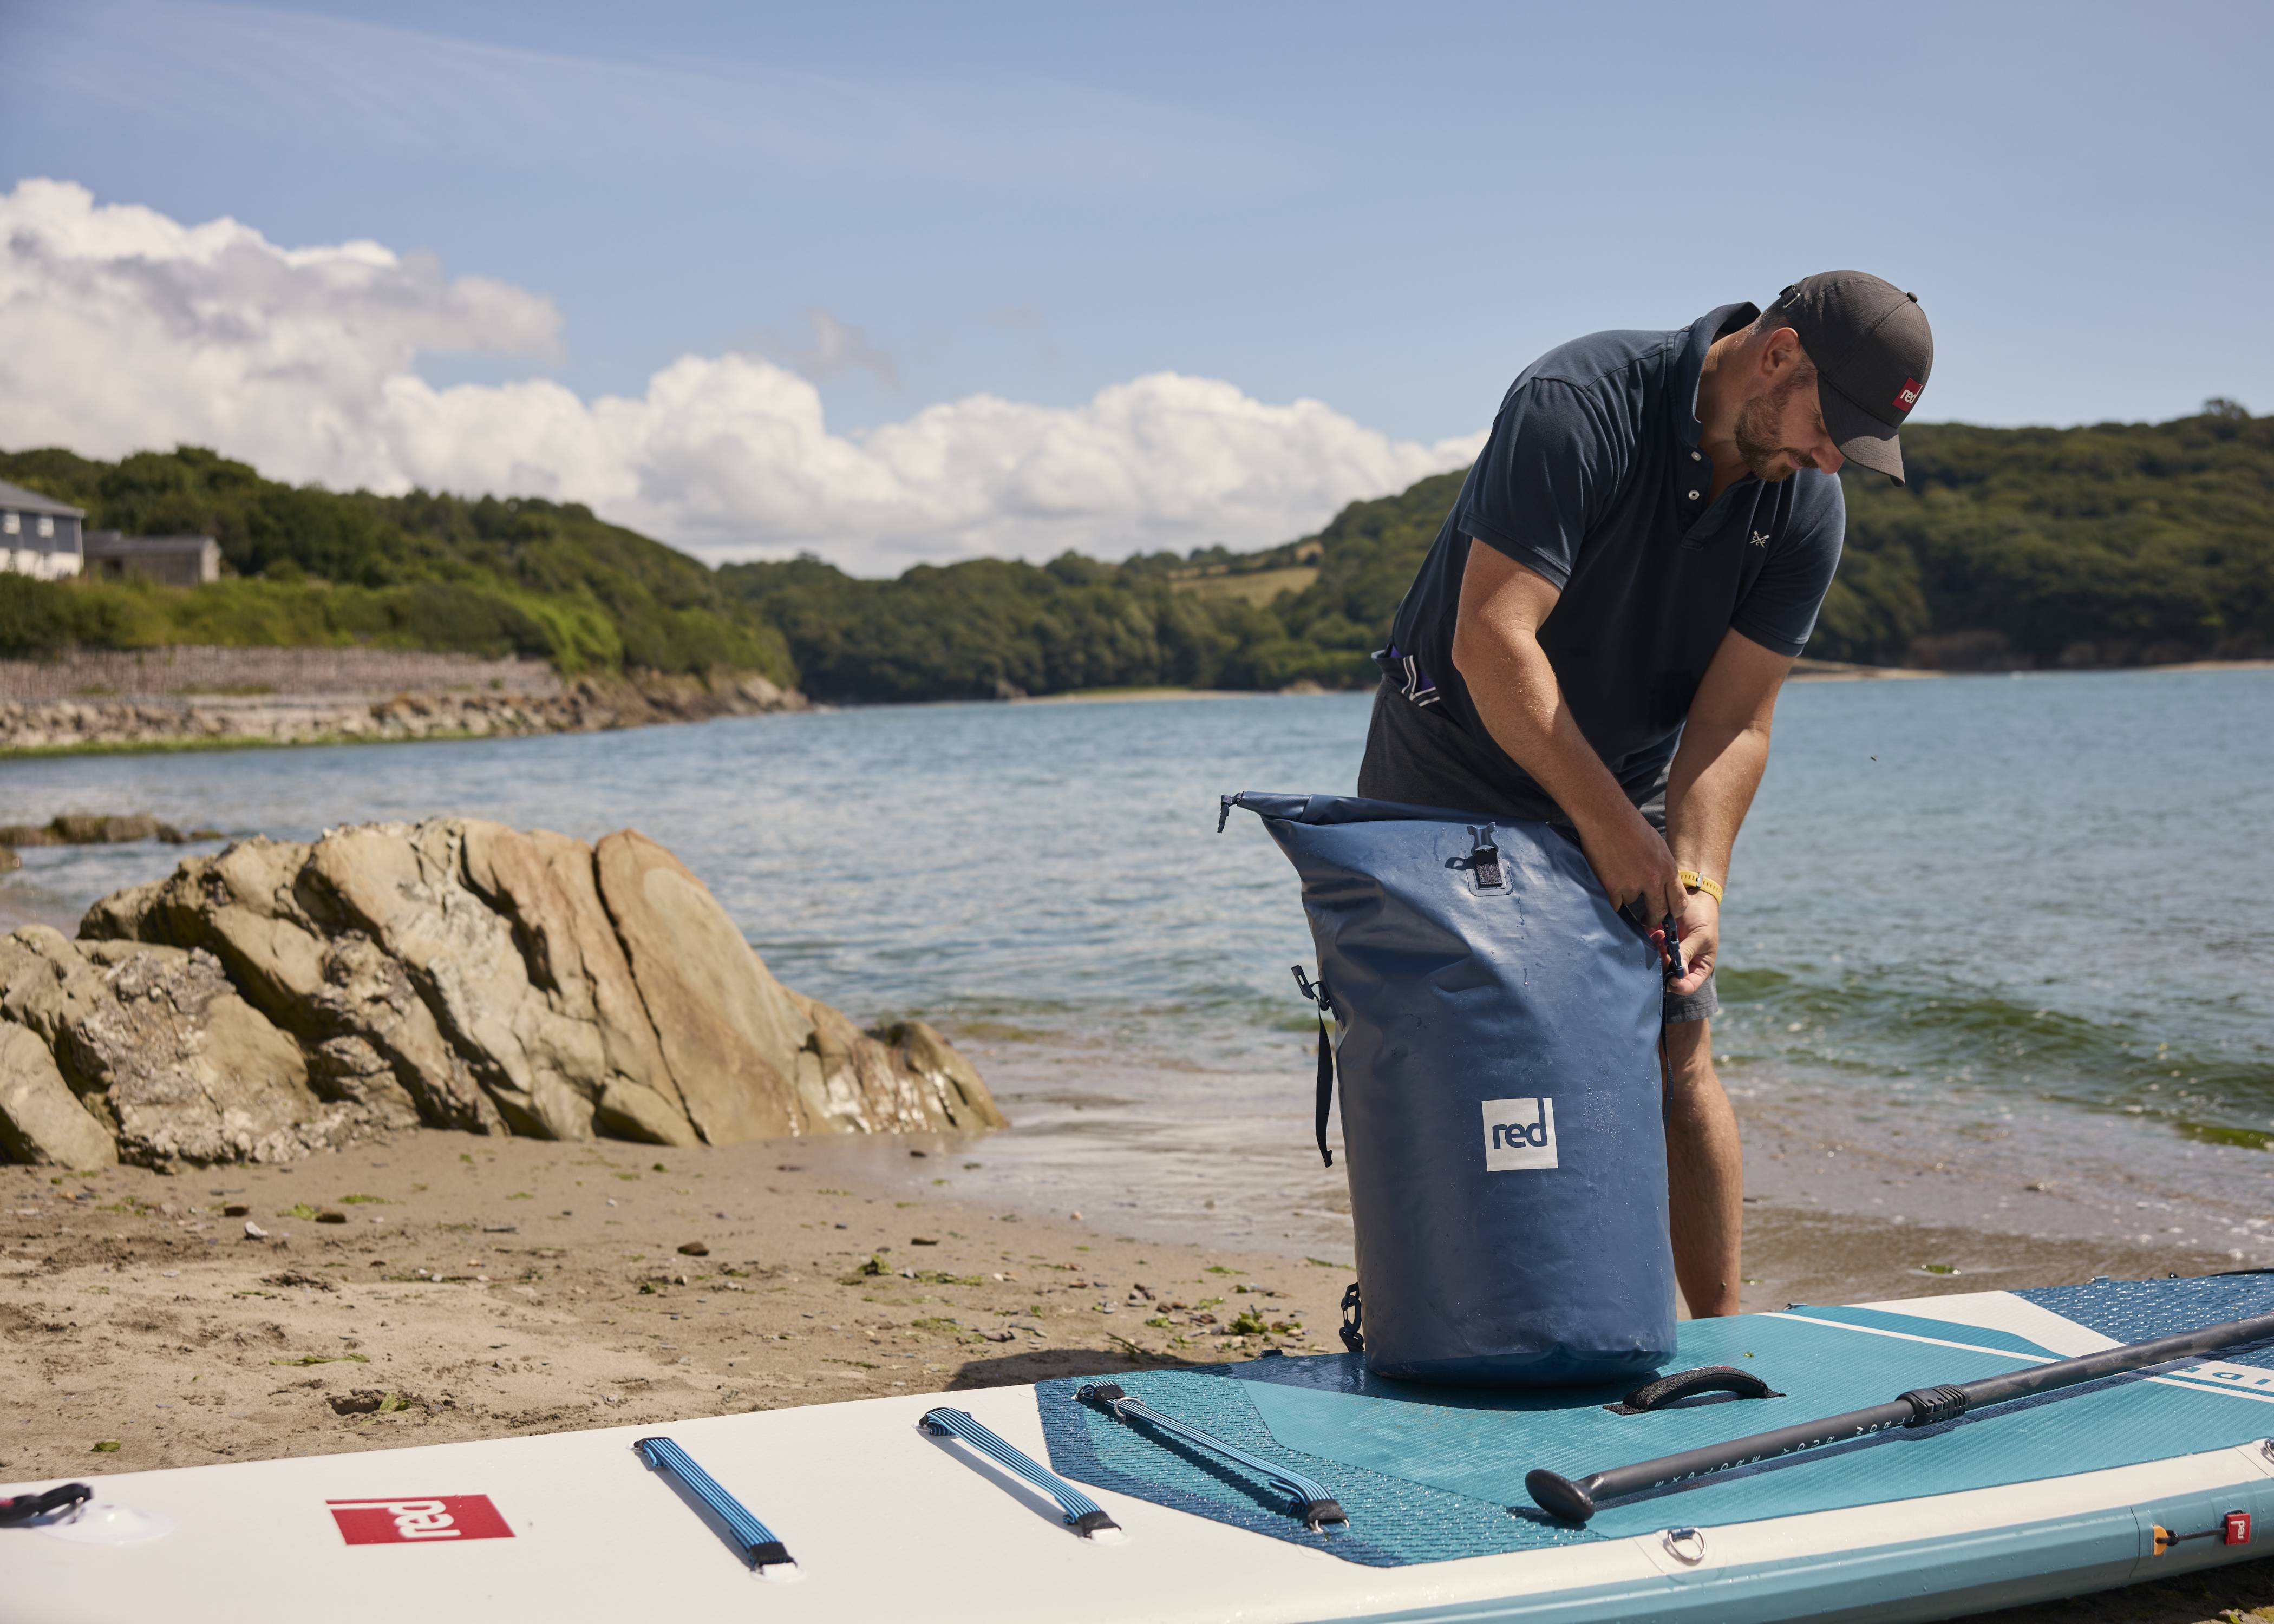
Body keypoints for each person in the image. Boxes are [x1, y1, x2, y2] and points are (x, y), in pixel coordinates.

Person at [1357, 271, 1933, 1318]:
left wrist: (1700, 875)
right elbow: (1490, 639)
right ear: (1778, 355)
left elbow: (1735, 722)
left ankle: (1728, 1339)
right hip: (1446, 753)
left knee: (1678, 1042)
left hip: (1623, 778)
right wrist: (1611, 828)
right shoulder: (1579, 402)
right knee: (1443, 1050)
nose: (1829, 455)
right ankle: (1445, 1316)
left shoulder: (1808, 505)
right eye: (1828, 423)